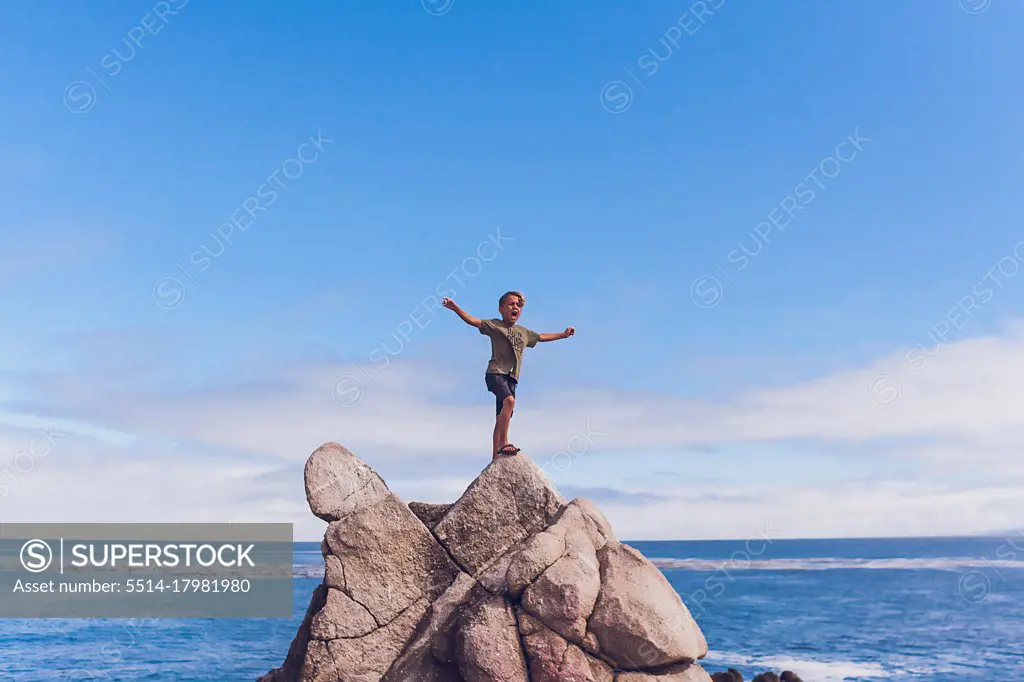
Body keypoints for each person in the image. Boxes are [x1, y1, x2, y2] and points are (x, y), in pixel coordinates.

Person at [442, 291, 574, 459]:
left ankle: (495, 458)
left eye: (518, 305)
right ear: (501, 308)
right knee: (509, 401)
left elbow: (541, 337)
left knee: (501, 418)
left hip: (512, 378)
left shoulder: (523, 332)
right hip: (495, 372)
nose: (515, 307)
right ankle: (504, 444)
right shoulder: (495, 325)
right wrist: (455, 308)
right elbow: (473, 321)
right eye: (511, 304)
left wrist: (563, 335)